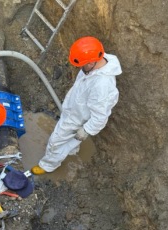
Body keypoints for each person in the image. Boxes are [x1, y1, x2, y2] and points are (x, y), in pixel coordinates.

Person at [31, 36, 122, 175]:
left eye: (82, 65)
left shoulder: (101, 86)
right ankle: (71, 150)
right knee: (71, 140)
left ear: (91, 62)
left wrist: (86, 130)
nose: (80, 67)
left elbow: (100, 117)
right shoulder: (96, 63)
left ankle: (48, 165)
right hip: (74, 111)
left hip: (76, 118)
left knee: (55, 142)